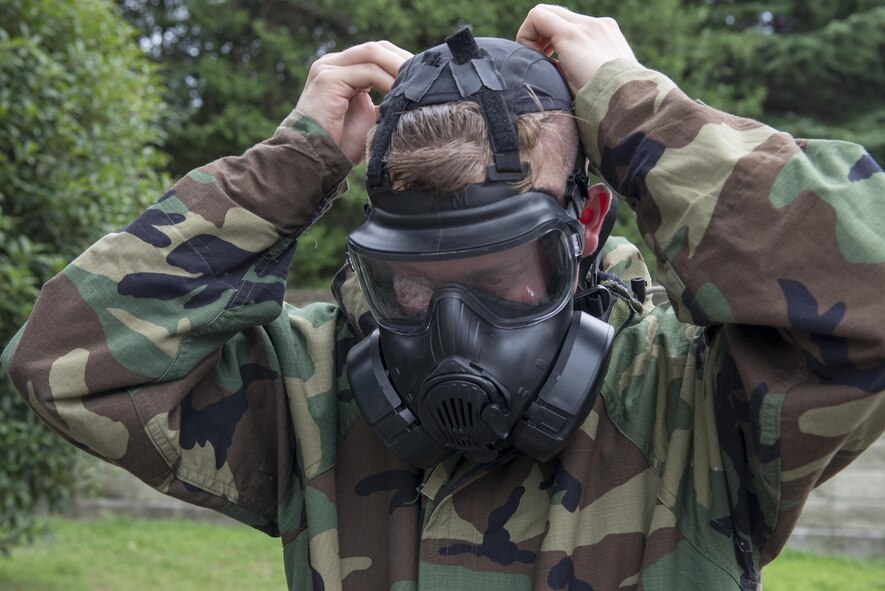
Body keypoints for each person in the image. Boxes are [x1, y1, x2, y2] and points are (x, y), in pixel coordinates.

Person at [3, 4, 884, 590]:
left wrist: (636, 111)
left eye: (498, 279)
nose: (453, 332)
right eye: (414, 285)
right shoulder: (312, 395)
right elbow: (61, 362)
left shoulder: (701, 402)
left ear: (584, 225)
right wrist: (293, 164)